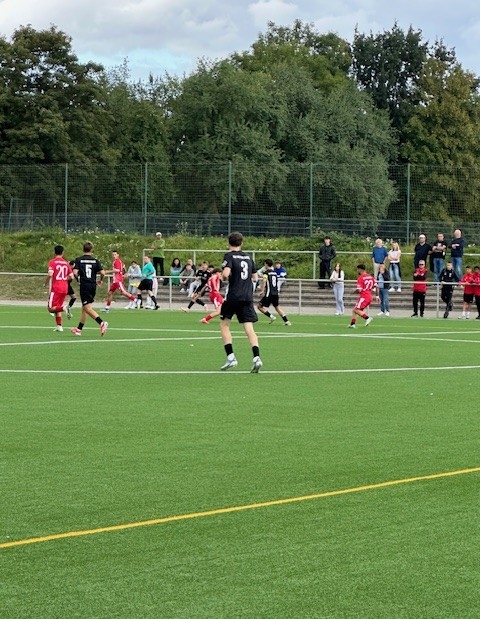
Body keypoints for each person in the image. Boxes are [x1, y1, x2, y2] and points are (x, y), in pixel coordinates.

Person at [219, 231, 262, 372]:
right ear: (241, 243)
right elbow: (255, 278)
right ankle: (257, 358)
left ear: (228, 242)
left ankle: (231, 357)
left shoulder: (229, 256)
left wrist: (225, 277)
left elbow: (225, 274)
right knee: (249, 329)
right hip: (247, 297)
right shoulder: (248, 257)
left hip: (233, 296)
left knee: (224, 324)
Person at [71, 242, 108, 336]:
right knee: (85, 307)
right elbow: (103, 272)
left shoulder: (79, 260)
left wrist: (78, 279)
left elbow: (75, 272)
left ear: (83, 249)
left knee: (87, 308)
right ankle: (79, 329)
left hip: (85, 285)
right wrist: (100, 280)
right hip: (92, 285)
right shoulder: (95, 261)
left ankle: (102, 323)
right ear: (91, 250)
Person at [45, 244, 73, 332]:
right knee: (57, 307)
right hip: (65, 288)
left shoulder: (52, 262)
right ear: (62, 253)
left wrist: (45, 283)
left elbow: (50, 274)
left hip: (56, 288)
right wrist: (64, 279)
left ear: (54, 252)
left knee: (50, 308)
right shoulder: (66, 263)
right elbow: (71, 276)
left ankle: (65, 308)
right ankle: (59, 326)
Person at [256, 259, 292, 326]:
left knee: (259, 306)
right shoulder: (275, 273)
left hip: (269, 293)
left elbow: (264, 281)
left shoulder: (266, 273)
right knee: (277, 307)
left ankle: (271, 317)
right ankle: (287, 321)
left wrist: (262, 290)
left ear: (266, 264)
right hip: (276, 293)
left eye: (264, 264)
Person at [348, 264, 378, 328]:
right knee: (355, 310)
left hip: (364, 296)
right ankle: (352, 324)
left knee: (356, 310)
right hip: (369, 296)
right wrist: (377, 296)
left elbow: (359, 290)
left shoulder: (361, 278)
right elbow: (376, 286)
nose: (357, 271)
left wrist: (353, 291)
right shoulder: (371, 277)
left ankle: (367, 318)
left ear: (360, 269)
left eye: (357, 269)